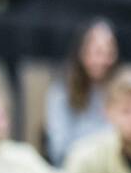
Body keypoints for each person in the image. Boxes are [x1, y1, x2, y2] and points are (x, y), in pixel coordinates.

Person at [45, 18, 119, 165]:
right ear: (82, 52)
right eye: (97, 52)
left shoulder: (120, 90)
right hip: (73, 170)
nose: (103, 60)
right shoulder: (60, 92)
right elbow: (58, 150)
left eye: (108, 52)